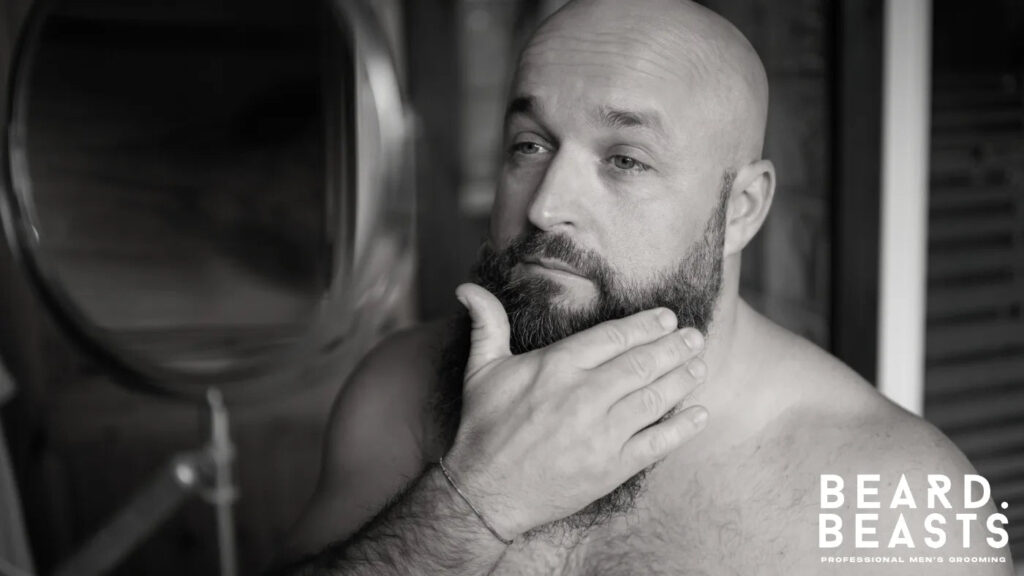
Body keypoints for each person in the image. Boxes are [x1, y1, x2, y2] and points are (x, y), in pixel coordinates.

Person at [276, 0, 1013, 573]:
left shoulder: (904, 505)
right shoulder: (396, 391)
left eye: (625, 159)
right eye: (529, 145)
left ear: (741, 209)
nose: (545, 206)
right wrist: (475, 501)